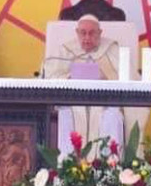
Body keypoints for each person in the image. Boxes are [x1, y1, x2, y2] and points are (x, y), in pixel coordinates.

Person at [42, 15, 126, 154]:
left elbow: (126, 78)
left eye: (92, 33)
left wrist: (105, 77)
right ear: (77, 33)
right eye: (83, 33)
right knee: (64, 114)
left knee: (113, 115)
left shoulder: (112, 50)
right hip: (73, 101)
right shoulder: (65, 50)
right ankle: (68, 162)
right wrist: (69, 78)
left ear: (100, 33)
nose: (87, 37)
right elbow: (50, 76)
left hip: (104, 101)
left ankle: (108, 162)